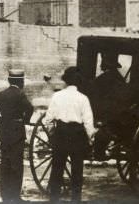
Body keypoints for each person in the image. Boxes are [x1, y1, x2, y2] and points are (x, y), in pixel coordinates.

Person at [45, 66, 96, 203]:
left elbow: (48, 120)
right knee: (77, 171)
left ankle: (54, 199)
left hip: (60, 134)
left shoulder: (57, 96)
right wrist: (91, 139)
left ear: (66, 81)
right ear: (78, 81)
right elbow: (88, 123)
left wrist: (52, 134)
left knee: (57, 169)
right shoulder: (83, 99)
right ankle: (75, 200)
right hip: (77, 136)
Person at [0, 68, 34, 203]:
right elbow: (30, 108)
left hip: (5, 131)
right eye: (23, 81)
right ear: (21, 82)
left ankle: (5, 196)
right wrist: (25, 121)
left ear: (9, 80)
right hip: (17, 132)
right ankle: (15, 197)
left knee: (5, 162)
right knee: (16, 164)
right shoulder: (20, 94)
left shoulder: (2, 94)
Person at [89, 55, 129, 160]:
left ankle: (98, 152)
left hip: (108, 111)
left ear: (105, 65)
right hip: (115, 110)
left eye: (103, 64)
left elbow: (95, 91)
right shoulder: (118, 77)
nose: (101, 66)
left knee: (104, 131)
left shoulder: (104, 78)